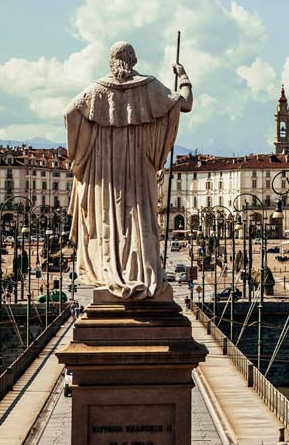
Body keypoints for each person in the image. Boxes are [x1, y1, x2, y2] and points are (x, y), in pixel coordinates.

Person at [64, 42, 193, 300]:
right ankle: (143, 272)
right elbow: (185, 103)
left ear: (112, 61)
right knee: (139, 218)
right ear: (133, 60)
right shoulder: (150, 86)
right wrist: (183, 76)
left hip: (105, 170)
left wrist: (77, 154)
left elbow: (69, 113)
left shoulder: (96, 90)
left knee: (109, 222)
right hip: (139, 168)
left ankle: (112, 271)